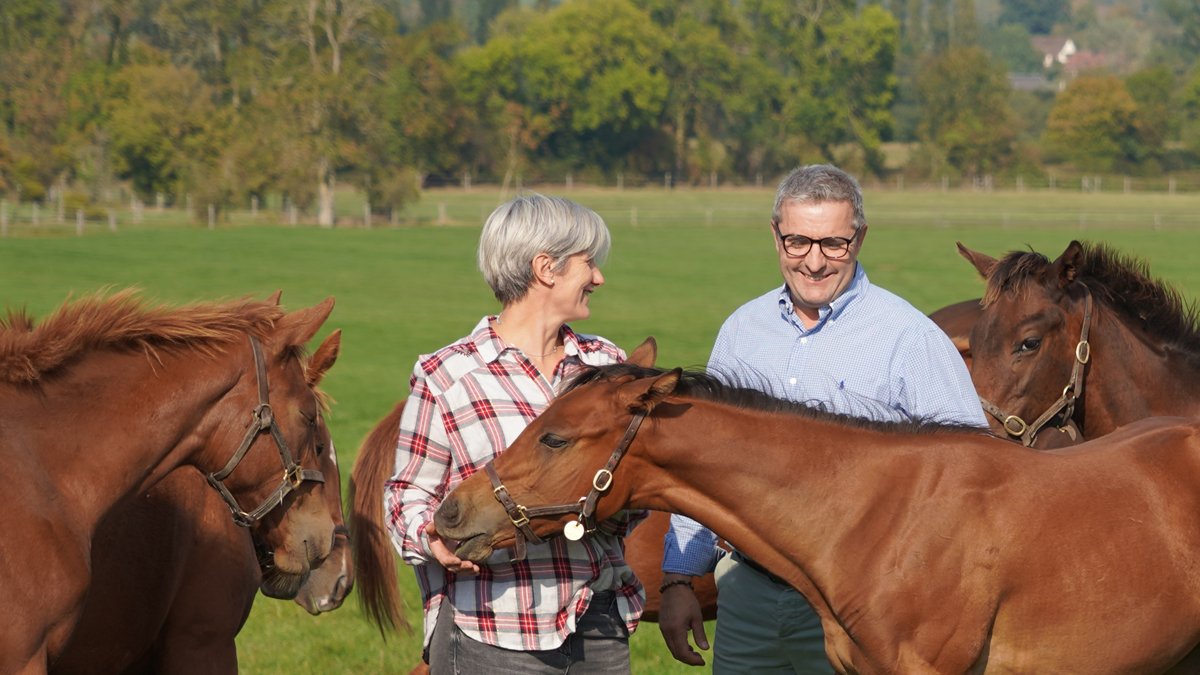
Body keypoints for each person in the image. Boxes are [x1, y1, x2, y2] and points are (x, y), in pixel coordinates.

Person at [657, 164, 987, 673]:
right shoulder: (743, 331)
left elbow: (972, 475)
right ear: (776, 236)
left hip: (865, 606)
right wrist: (679, 579)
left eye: (833, 243)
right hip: (748, 597)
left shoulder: (909, 337)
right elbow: (704, 463)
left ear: (860, 238)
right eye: (798, 242)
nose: (814, 262)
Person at [384, 193, 645, 675]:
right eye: (589, 263)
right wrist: (430, 537)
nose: (599, 278)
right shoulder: (448, 375)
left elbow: (634, 487)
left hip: (597, 621)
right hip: (491, 628)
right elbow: (405, 495)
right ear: (546, 268)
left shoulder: (606, 364)